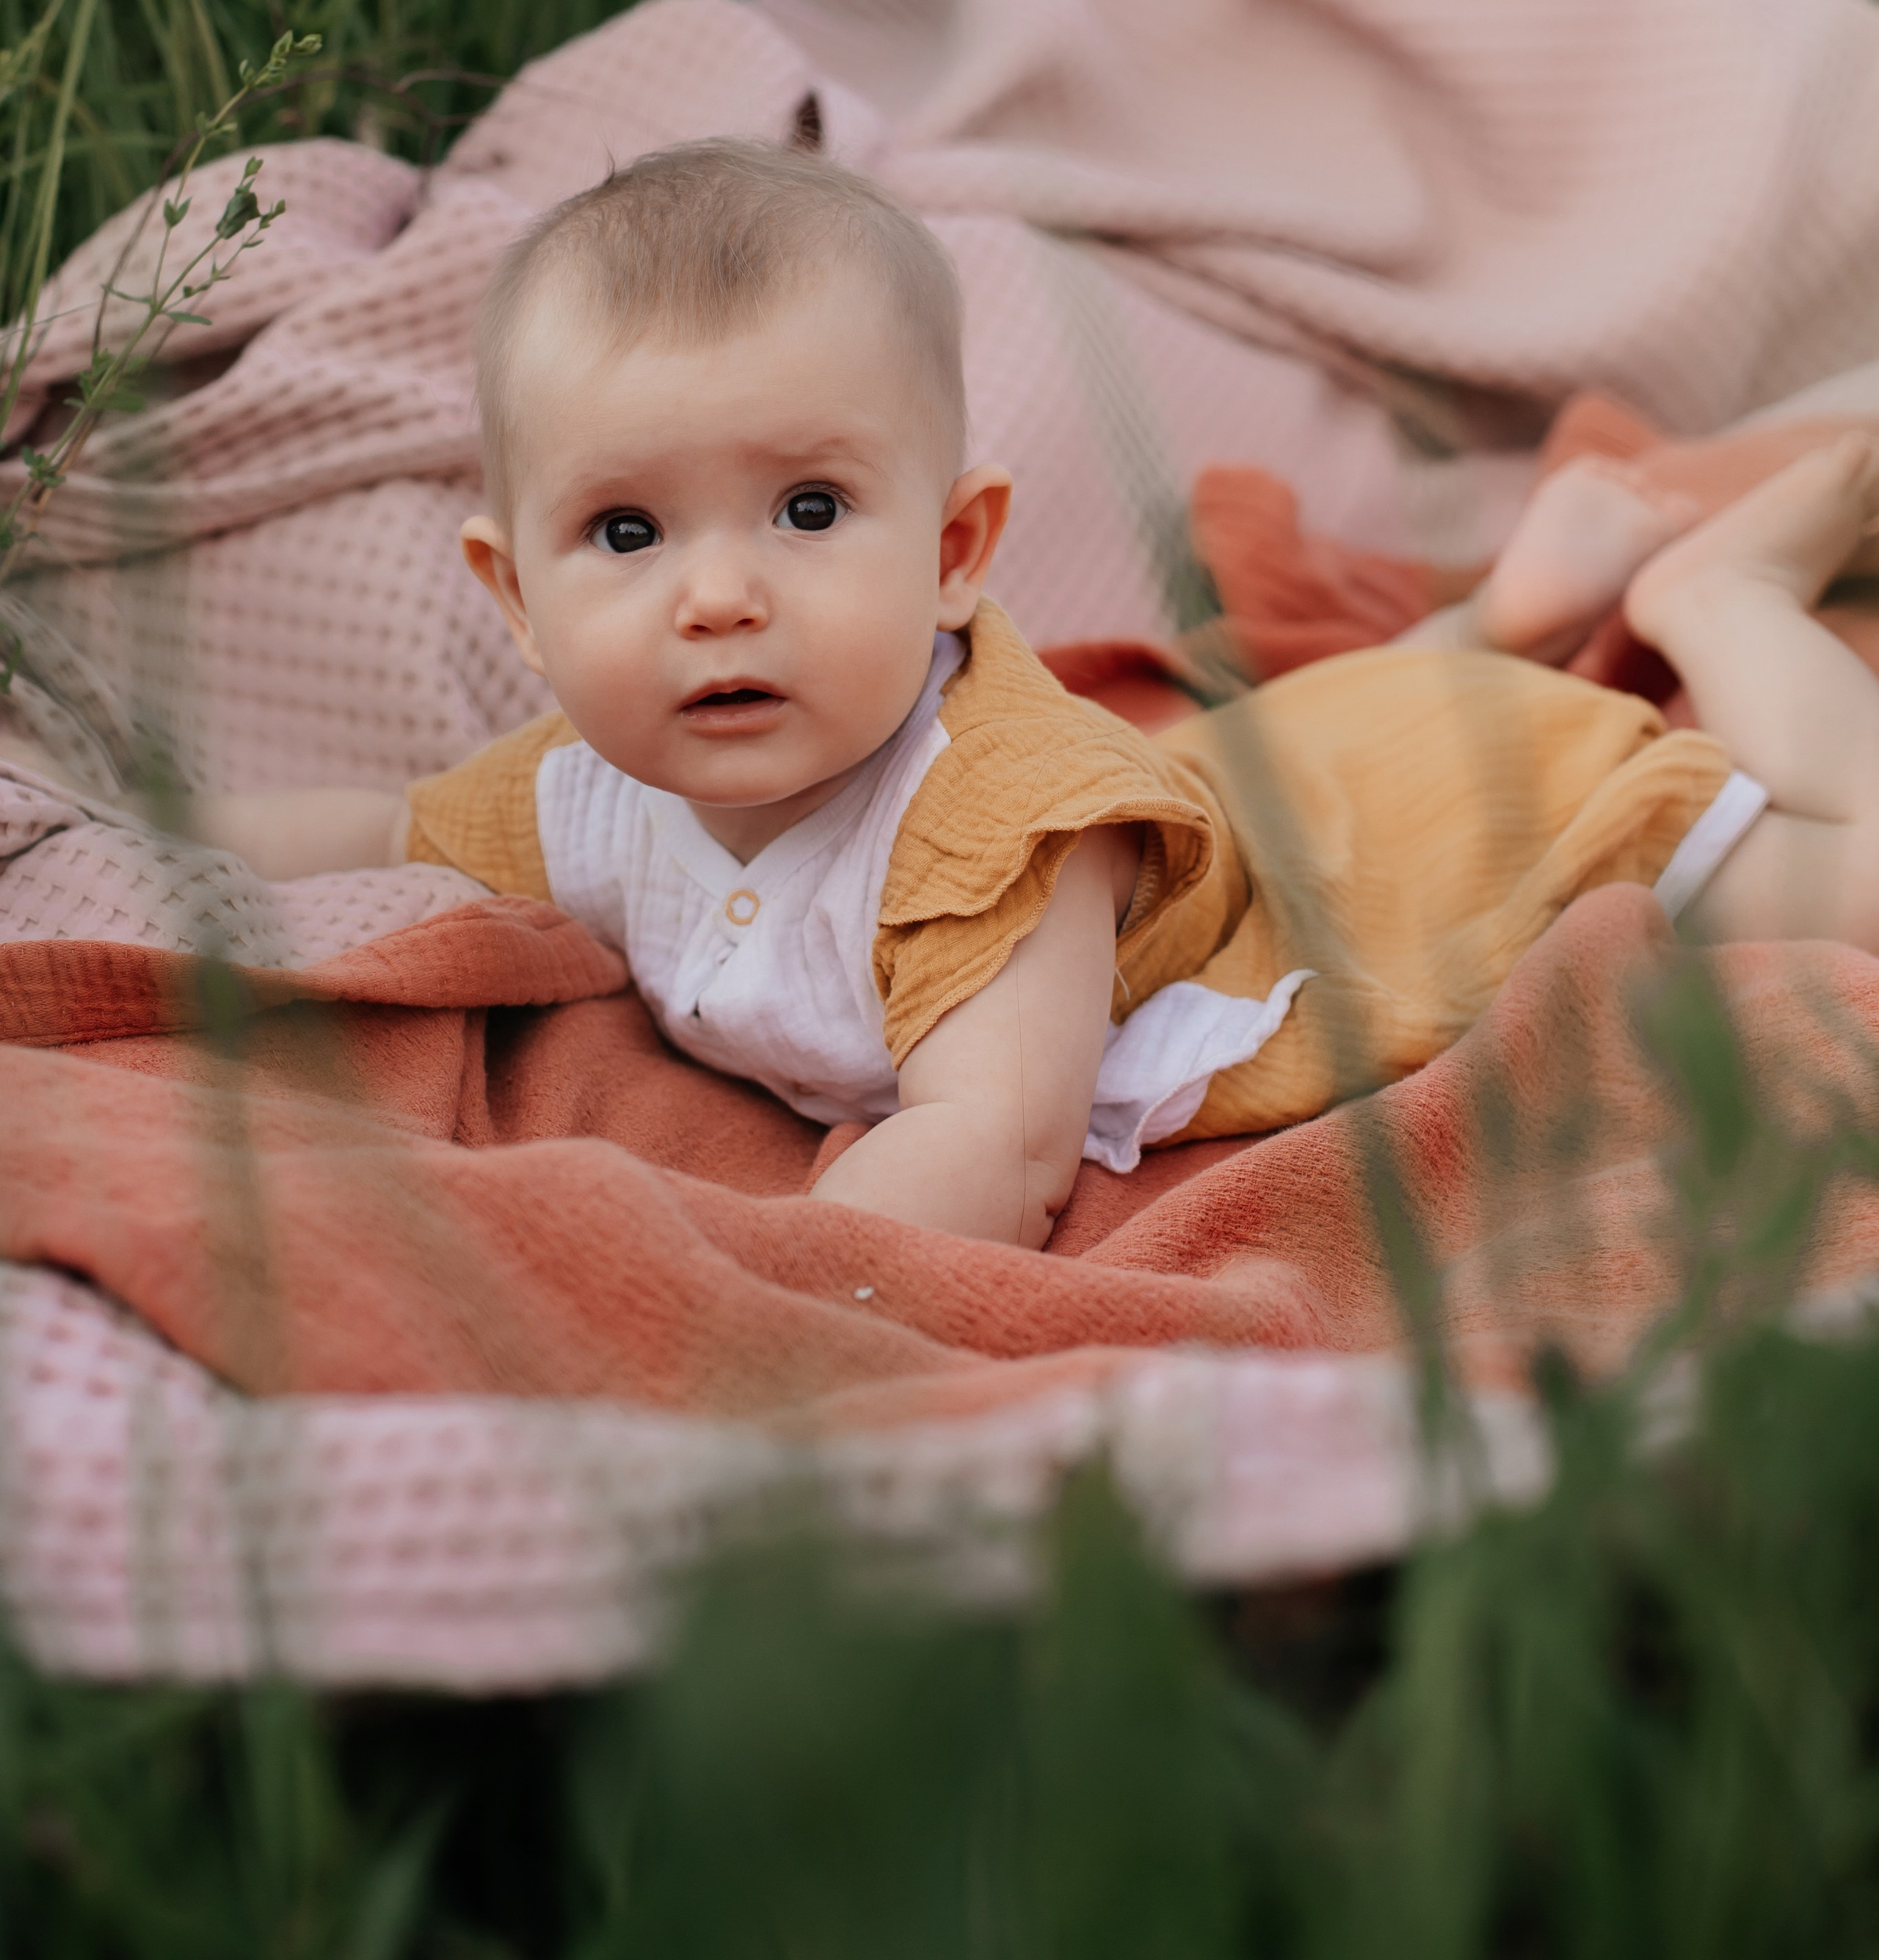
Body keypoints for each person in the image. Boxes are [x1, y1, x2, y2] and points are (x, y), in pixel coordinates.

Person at [194, 141, 1879, 1248]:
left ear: (953, 551)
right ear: (520, 603)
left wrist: (718, 1286)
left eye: (806, 511)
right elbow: (363, 823)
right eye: (625, 531)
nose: (718, 594)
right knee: (1279, 746)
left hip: (1427, 849)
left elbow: (992, 1160)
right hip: (1269, 765)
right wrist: (113, 828)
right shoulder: (582, 784)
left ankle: (1702, 596)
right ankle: (1513, 600)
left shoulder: (1001, 835)